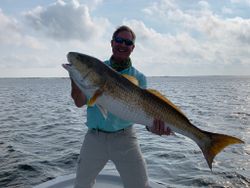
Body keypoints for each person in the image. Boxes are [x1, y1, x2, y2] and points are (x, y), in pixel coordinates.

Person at [71, 25, 172, 188]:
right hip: (94, 138)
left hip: (125, 138)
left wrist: (156, 128)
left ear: (133, 47)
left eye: (127, 42)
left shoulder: (139, 78)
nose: (123, 45)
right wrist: (75, 78)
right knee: (81, 185)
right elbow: (79, 101)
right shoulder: (95, 70)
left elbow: (145, 115)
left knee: (139, 185)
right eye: (119, 40)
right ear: (112, 43)